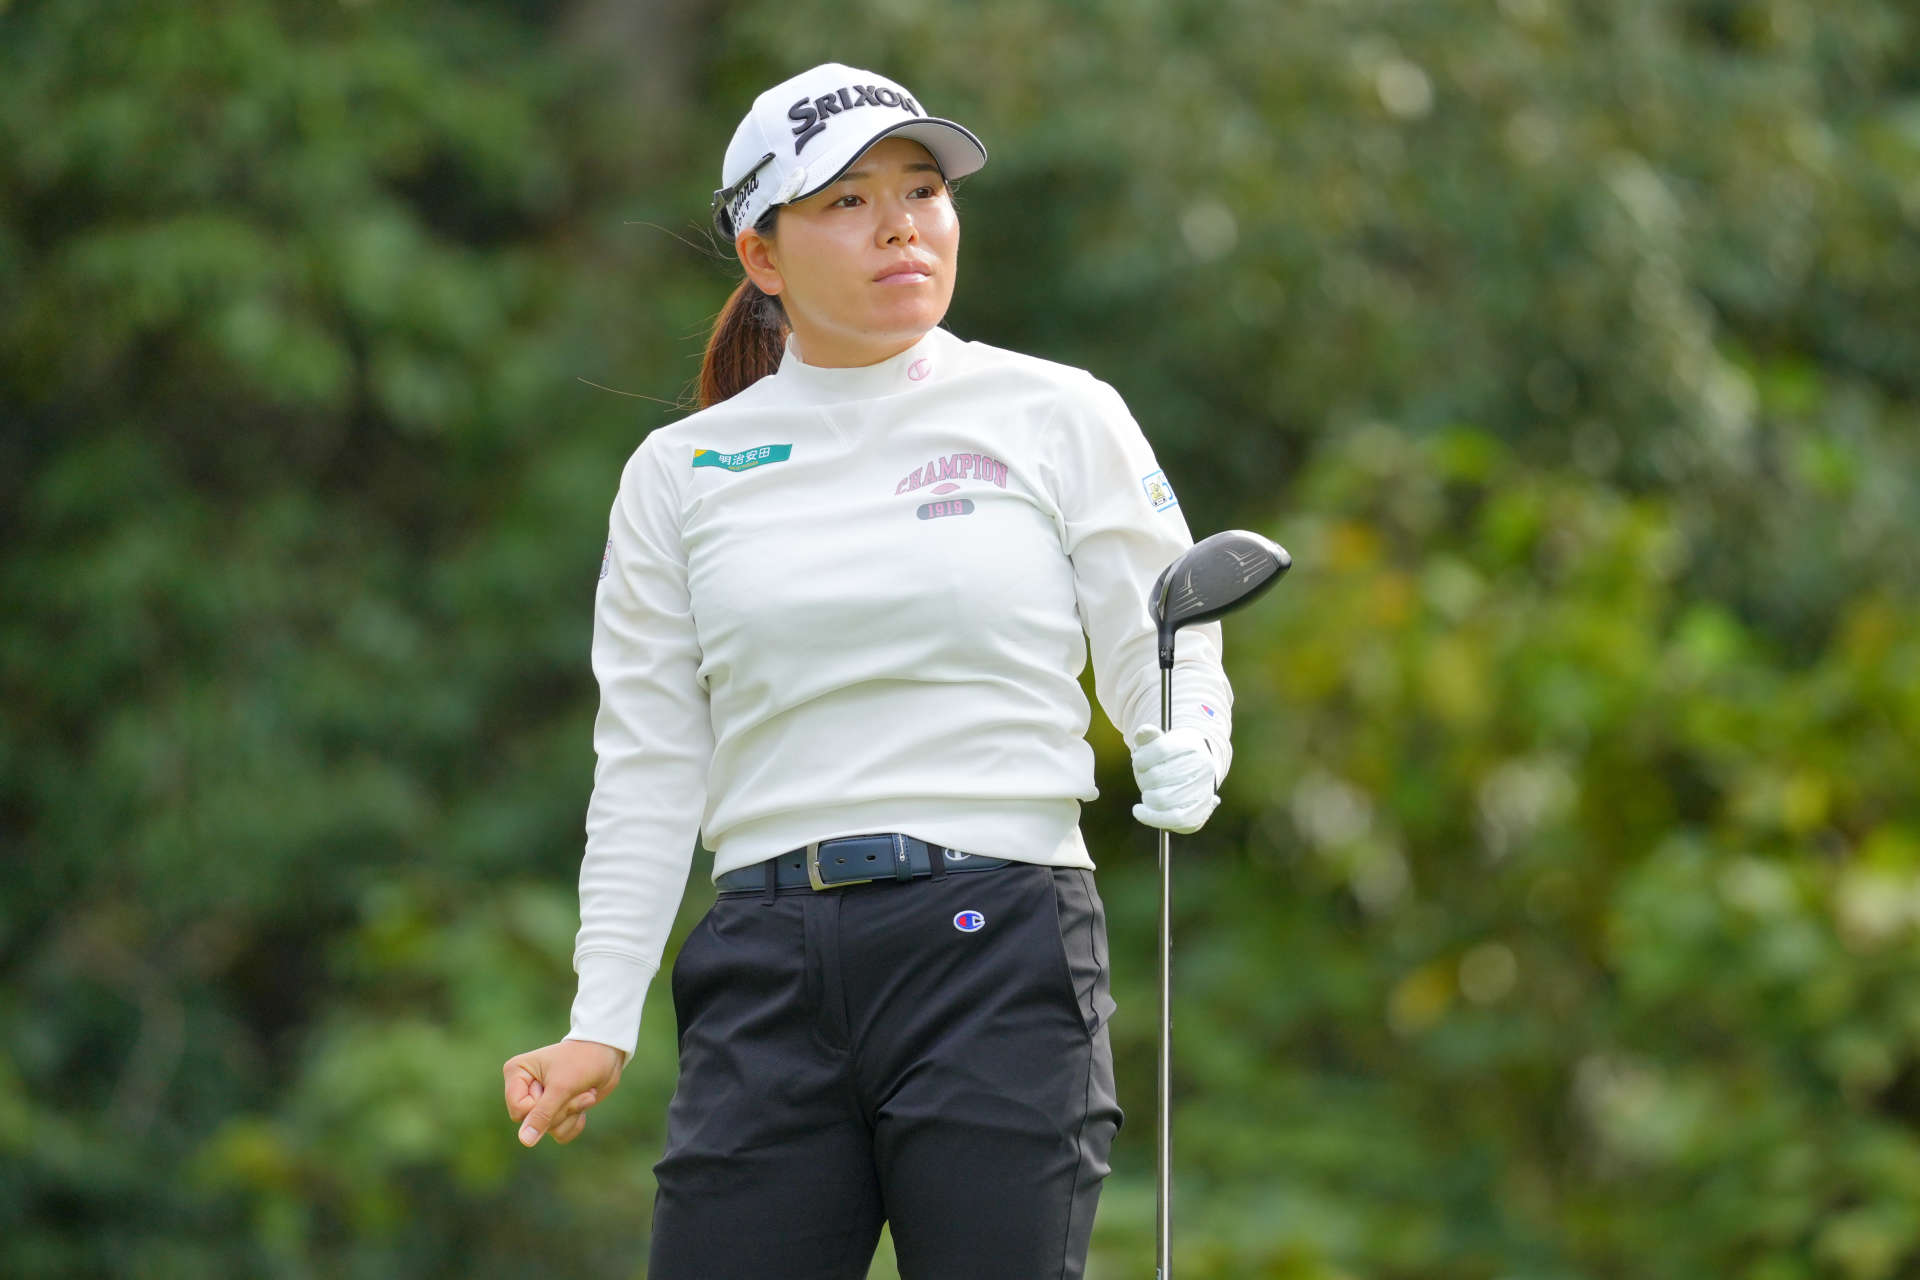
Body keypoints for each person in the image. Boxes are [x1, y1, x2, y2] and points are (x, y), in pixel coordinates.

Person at [501, 61, 1234, 1280]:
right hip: (764, 957)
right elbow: (647, 761)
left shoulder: (1058, 411)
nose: (901, 222)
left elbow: (1166, 629)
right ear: (764, 256)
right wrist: (599, 1015)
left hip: (997, 941)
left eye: (922, 189)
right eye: (844, 200)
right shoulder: (679, 473)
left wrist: (1189, 742)